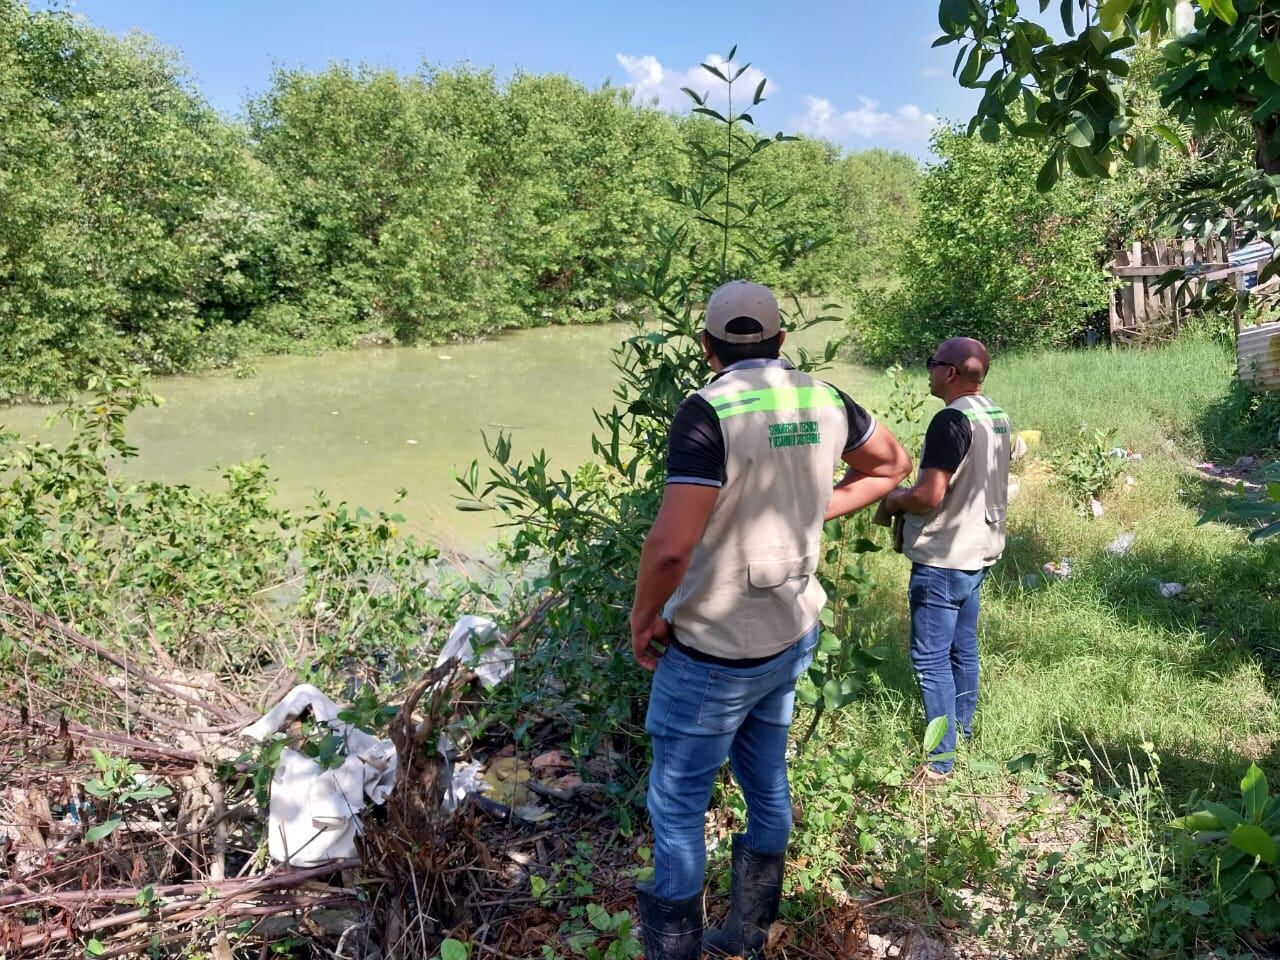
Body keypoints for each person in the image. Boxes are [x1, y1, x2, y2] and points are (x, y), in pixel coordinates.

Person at [629, 280, 912, 960]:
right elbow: (893, 466)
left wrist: (643, 619)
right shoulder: (822, 396)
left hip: (713, 651)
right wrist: (808, 510)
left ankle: (676, 951)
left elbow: (670, 546)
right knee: (766, 785)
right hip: (789, 634)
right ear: (783, 342)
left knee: (675, 808)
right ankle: (749, 934)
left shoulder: (708, 411)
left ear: (707, 346)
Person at [884, 337, 1010, 784]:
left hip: (943, 557)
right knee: (963, 649)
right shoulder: (995, 415)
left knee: (930, 658)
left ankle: (940, 762)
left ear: (951, 372)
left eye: (932, 364)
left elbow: (928, 495)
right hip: (979, 552)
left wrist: (896, 498)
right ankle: (965, 731)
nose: (929, 371)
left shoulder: (950, 421)